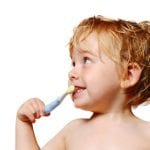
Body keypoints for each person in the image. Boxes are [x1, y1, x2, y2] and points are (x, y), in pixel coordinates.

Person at [16, 15, 150, 150]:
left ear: (128, 75)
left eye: (86, 60)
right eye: (73, 63)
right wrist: (24, 123)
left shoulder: (147, 135)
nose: (72, 73)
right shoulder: (72, 132)